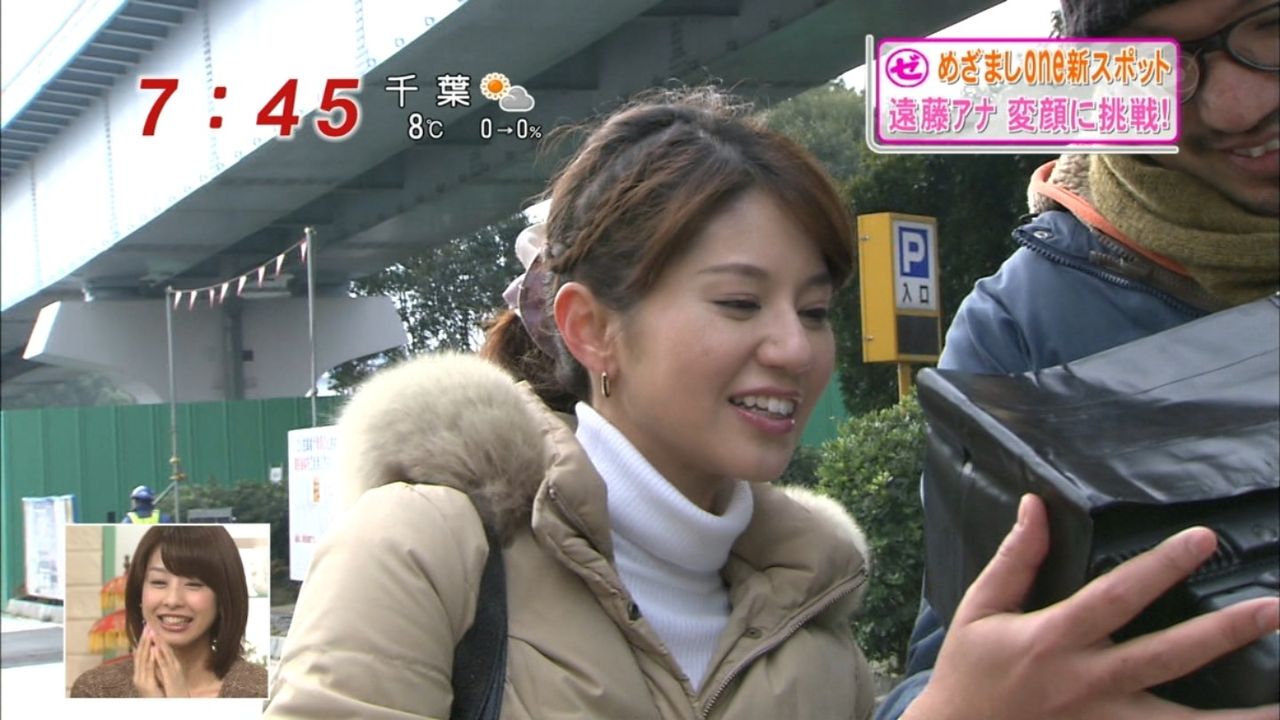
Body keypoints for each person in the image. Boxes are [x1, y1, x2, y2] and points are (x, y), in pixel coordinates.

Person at [265, 88, 878, 719]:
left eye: (814, 311)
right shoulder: (422, 551)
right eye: (740, 303)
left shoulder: (814, 620)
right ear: (591, 328)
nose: (794, 349)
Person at [877, 0, 1280, 718]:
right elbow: (953, 671)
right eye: (1155, 64)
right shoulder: (1019, 333)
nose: (1236, 108)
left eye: (1271, 28)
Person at [70, 525, 268, 698]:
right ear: (139, 594)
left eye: (194, 584)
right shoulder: (95, 690)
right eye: (158, 582)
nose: (173, 600)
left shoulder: (259, 690)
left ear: (223, 598)